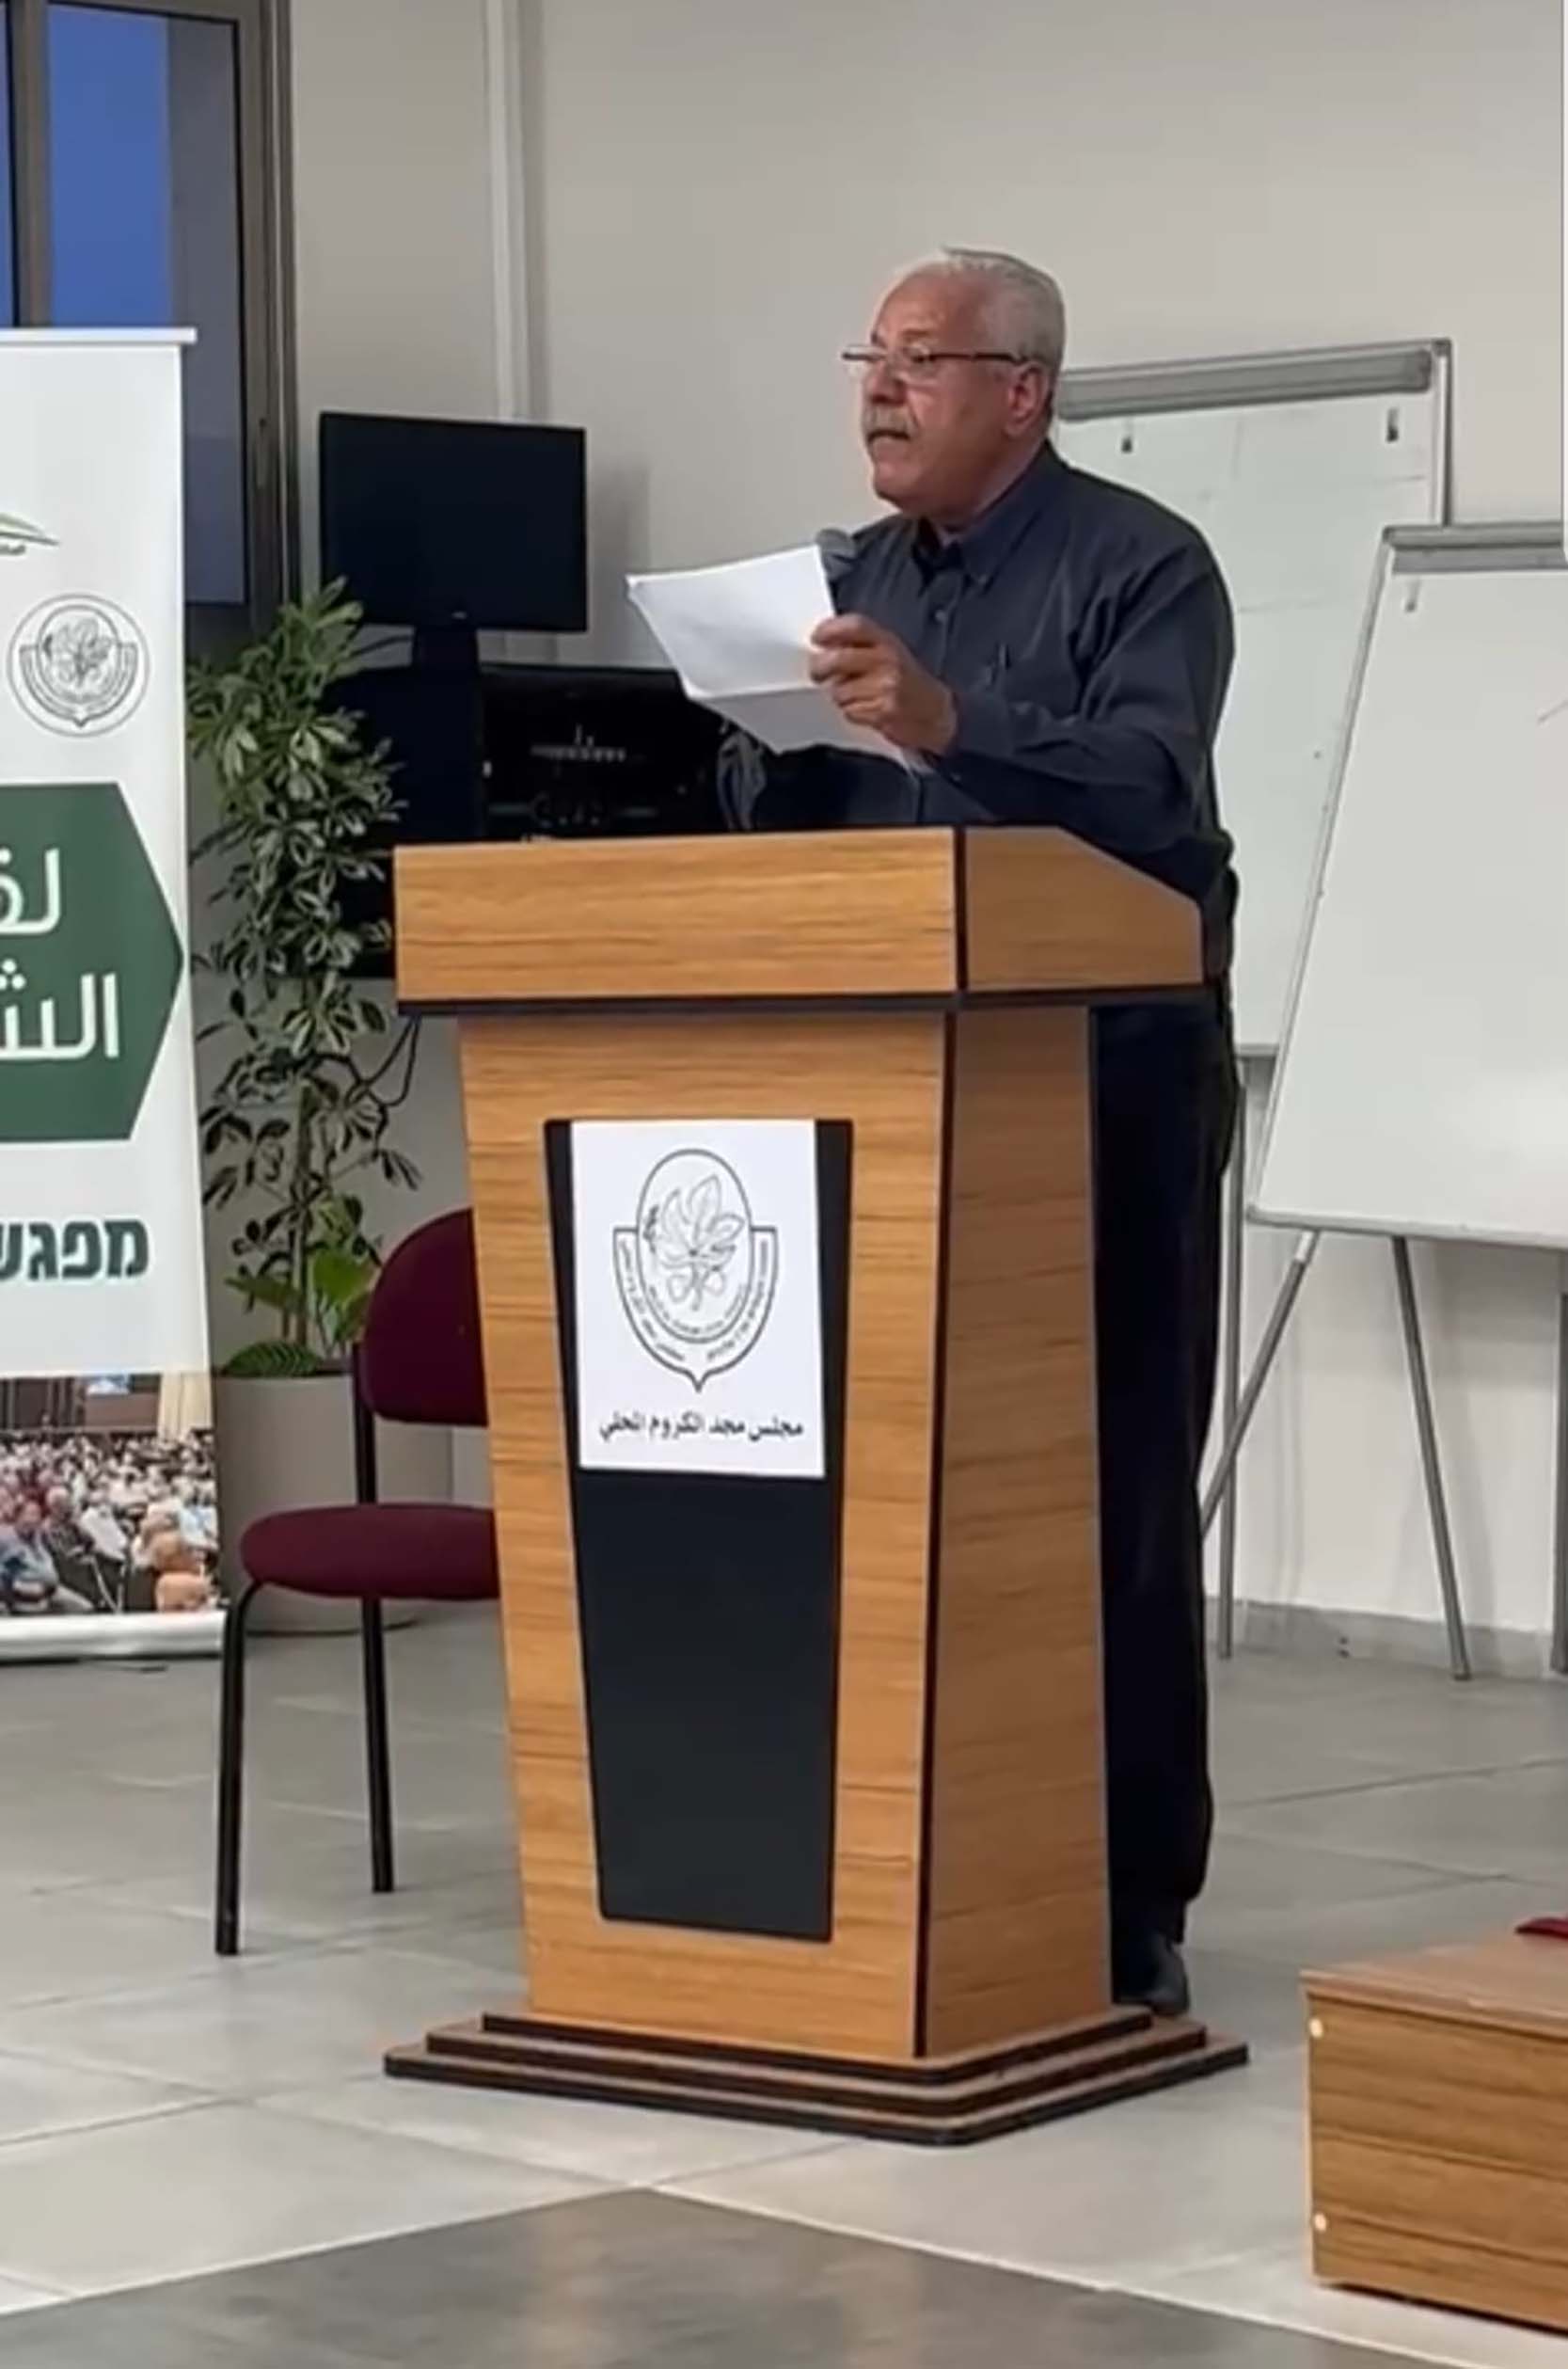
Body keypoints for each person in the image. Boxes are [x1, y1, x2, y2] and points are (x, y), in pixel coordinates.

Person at [721, 247, 1238, 2016]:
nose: (881, 388)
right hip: (873, 1078)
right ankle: (898, 1863)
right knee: (882, 1491)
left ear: (1023, 391)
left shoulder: (1144, 565)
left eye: (921, 359)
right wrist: (756, 736)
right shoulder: (845, 580)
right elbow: (801, 822)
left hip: (1100, 1087)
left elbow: (1149, 792)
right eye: (870, 356)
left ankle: (1124, 1899)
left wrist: (952, 724)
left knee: (1103, 1489)